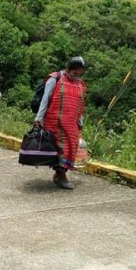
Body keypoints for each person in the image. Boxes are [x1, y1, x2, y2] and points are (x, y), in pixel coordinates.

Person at [34, 56, 87, 190]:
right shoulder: (55, 79)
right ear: (69, 68)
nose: (76, 75)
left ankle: (60, 175)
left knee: (72, 147)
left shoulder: (80, 84)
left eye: (79, 73)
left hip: (71, 124)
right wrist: (38, 118)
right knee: (61, 149)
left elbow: (80, 104)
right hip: (54, 122)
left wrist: (80, 121)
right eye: (75, 72)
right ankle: (61, 175)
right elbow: (45, 99)